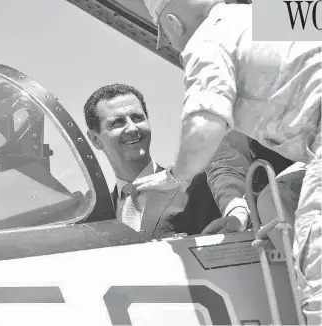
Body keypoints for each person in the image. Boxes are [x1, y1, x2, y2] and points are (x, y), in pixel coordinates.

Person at [137, 0, 321, 323]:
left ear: (173, 22)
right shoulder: (274, 16)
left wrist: (177, 175)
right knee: (275, 200)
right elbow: (224, 154)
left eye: (163, 31)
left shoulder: (208, 40)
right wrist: (237, 212)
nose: (161, 42)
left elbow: (204, 126)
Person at [83, 83, 252, 239]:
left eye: (137, 118)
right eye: (117, 123)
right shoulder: (97, 215)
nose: (132, 128)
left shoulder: (199, 186)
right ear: (95, 139)